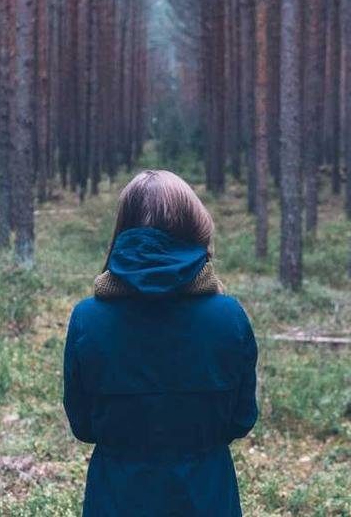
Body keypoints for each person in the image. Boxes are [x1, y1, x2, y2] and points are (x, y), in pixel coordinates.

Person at [63, 169, 258, 516]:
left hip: (117, 499)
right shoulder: (229, 317)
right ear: (195, 227)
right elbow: (241, 421)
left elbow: (83, 427)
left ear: (122, 229)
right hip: (207, 498)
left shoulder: (87, 319)